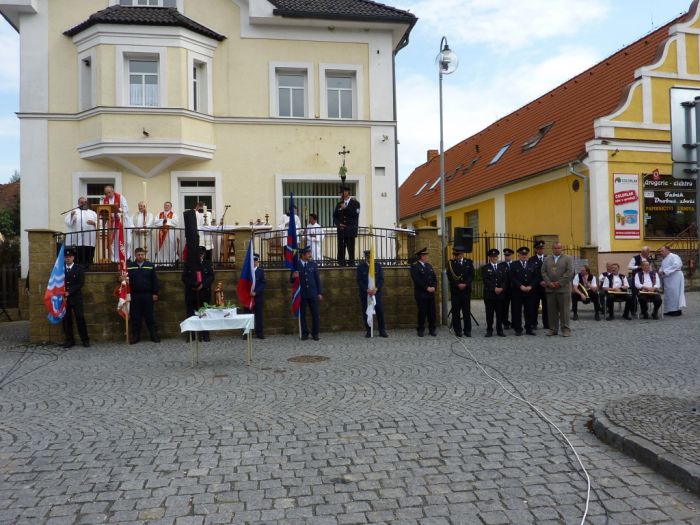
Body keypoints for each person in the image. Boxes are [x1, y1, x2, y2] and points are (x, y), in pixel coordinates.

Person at [126, 247, 160, 344]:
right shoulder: (130, 266)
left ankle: (154, 335)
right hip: (135, 295)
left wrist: (155, 293)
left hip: (147, 295)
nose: (140, 256)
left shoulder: (150, 265)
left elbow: (155, 281)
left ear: (144, 255)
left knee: (150, 316)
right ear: (135, 255)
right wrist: (120, 279)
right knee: (135, 317)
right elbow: (124, 279)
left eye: (142, 254)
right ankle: (136, 336)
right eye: (138, 255)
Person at [182, 246, 215, 341]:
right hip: (191, 293)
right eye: (199, 254)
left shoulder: (207, 264)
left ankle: (205, 334)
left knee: (204, 314)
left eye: (202, 254)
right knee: (191, 315)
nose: (200, 256)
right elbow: (184, 278)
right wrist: (193, 285)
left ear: (204, 255)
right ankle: (191, 335)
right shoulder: (188, 264)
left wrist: (203, 285)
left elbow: (211, 277)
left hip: (204, 293)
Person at [541, 241, 574, 337]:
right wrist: (548, 283)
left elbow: (570, 272)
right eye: (555, 248)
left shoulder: (568, 258)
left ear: (562, 248)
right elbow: (543, 272)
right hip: (550, 289)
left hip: (563, 289)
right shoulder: (547, 259)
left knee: (564, 310)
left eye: (558, 248)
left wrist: (559, 283)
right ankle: (553, 329)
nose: (557, 249)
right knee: (552, 310)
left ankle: (566, 329)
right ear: (552, 249)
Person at [291, 246, 323, 340]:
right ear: (303, 255)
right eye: (308, 253)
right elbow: (291, 280)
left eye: (310, 253)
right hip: (302, 294)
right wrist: (293, 276)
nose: (310, 255)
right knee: (302, 314)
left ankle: (315, 333)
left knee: (315, 314)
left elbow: (317, 279)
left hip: (313, 293)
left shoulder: (313, 264)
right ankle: (304, 333)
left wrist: (319, 292)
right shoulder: (296, 265)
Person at [62, 248, 90, 348]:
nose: (68, 258)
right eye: (66, 257)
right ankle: (69, 340)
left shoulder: (79, 268)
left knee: (80, 318)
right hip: (64, 299)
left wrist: (69, 291)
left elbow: (81, 283)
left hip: (76, 298)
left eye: (70, 257)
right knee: (66, 319)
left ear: (73, 257)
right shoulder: (60, 269)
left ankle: (85, 339)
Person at [356, 249, 388, 338]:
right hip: (365, 294)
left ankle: (382, 331)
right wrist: (367, 290)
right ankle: (369, 331)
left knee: (380, 312)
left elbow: (381, 279)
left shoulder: (377, 266)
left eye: (371, 256)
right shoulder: (360, 267)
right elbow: (359, 281)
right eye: (368, 256)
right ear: (365, 257)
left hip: (376, 294)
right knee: (367, 313)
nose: (369, 258)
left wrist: (376, 289)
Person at [510, 246, 538, 335]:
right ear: (519, 255)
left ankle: (529, 328)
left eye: (526, 254)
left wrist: (531, 286)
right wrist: (520, 286)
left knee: (529, 310)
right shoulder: (513, 265)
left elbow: (536, 277)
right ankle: (518, 329)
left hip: (530, 291)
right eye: (522, 254)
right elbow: (512, 277)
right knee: (517, 311)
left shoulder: (532, 264)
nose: (524, 256)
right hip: (517, 292)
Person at [446, 246, 474, 337]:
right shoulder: (450, 263)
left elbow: (471, 275)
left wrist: (465, 284)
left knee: (466, 311)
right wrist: (458, 284)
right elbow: (450, 276)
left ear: (462, 254)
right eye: (455, 254)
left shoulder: (469, 262)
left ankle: (467, 330)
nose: (456, 256)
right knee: (456, 311)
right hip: (456, 291)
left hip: (466, 290)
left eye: (457, 254)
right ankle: (458, 330)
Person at [410, 247, 437, 337]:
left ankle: (432, 329)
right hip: (422, 294)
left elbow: (434, 278)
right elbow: (417, 280)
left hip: (431, 293)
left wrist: (434, 287)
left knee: (431, 312)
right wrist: (426, 288)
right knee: (422, 312)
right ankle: (420, 329)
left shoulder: (429, 266)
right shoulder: (415, 266)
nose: (427, 257)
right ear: (421, 256)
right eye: (425, 255)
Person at [64, 196, 97, 267]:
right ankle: (78, 269)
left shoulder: (93, 213)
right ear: (78, 203)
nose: (83, 204)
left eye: (85, 202)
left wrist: (94, 223)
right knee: (78, 256)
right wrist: (72, 216)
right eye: (82, 202)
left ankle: (89, 268)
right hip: (77, 240)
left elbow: (99, 223)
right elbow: (68, 223)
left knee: (89, 255)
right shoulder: (74, 212)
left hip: (89, 239)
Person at [102, 184, 132, 262]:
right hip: (112, 222)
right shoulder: (104, 200)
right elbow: (103, 210)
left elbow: (125, 208)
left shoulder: (120, 197)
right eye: (106, 193)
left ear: (113, 191)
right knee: (113, 242)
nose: (107, 195)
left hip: (122, 222)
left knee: (126, 241)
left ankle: (126, 257)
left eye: (109, 192)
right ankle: (115, 259)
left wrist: (119, 211)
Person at [482, 248, 507, 337]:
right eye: (492, 257)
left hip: (500, 294)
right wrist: (494, 288)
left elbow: (505, 280)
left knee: (500, 313)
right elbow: (486, 280)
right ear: (489, 258)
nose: (494, 258)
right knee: (489, 313)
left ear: (497, 257)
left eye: (495, 256)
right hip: (490, 294)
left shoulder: (502, 267)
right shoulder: (485, 268)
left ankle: (499, 330)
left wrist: (501, 288)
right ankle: (489, 330)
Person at [333, 185, 360, 266]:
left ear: (348, 193)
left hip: (350, 230)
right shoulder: (339, 204)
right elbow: (335, 216)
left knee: (351, 249)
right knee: (341, 248)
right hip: (341, 230)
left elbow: (355, 214)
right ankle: (341, 263)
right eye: (342, 192)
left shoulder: (355, 203)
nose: (343, 194)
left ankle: (351, 264)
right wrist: (338, 224)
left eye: (344, 192)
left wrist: (346, 208)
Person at [658, 245, 686, 316]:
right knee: (668, 295)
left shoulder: (674, 256)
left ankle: (677, 310)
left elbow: (676, 265)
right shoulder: (664, 259)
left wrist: (665, 271)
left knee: (675, 293)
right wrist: (660, 271)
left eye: (662, 251)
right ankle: (670, 310)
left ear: (667, 250)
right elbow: (662, 267)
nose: (661, 252)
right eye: (660, 251)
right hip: (668, 279)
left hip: (675, 277)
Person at [529, 240, 549, 329]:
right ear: (536, 249)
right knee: (534, 306)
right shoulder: (531, 260)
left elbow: (551, 272)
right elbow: (531, 273)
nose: (541, 250)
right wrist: (539, 281)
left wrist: (546, 281)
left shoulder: (548, 258)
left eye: (542, 248)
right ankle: (534, 323)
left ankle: (547, 323)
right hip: (536, 287)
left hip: (546, 286)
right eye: (539, 248)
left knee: (547, 306)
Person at [251, 253, 266, 339]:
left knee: (259, 315)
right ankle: (247, 332)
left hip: (258, 296)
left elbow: (263, 284)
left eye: (255, 261)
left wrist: (256, 292)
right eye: (253, 261)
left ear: (257, 262)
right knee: (247, 314)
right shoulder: (247, 271)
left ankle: (259, 332)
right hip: (248, 297)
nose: (254, 262)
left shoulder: (260, 271)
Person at [498, 248, 514, 329]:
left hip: (514, 290)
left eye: (509, 255)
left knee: (515, 307)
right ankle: (505, 322)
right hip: (505, 290)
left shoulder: (515, 264)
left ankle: (515, 322)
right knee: (504, 307)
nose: (507, 257)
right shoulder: (500, 265)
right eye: (506, 256)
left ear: (512, 256)